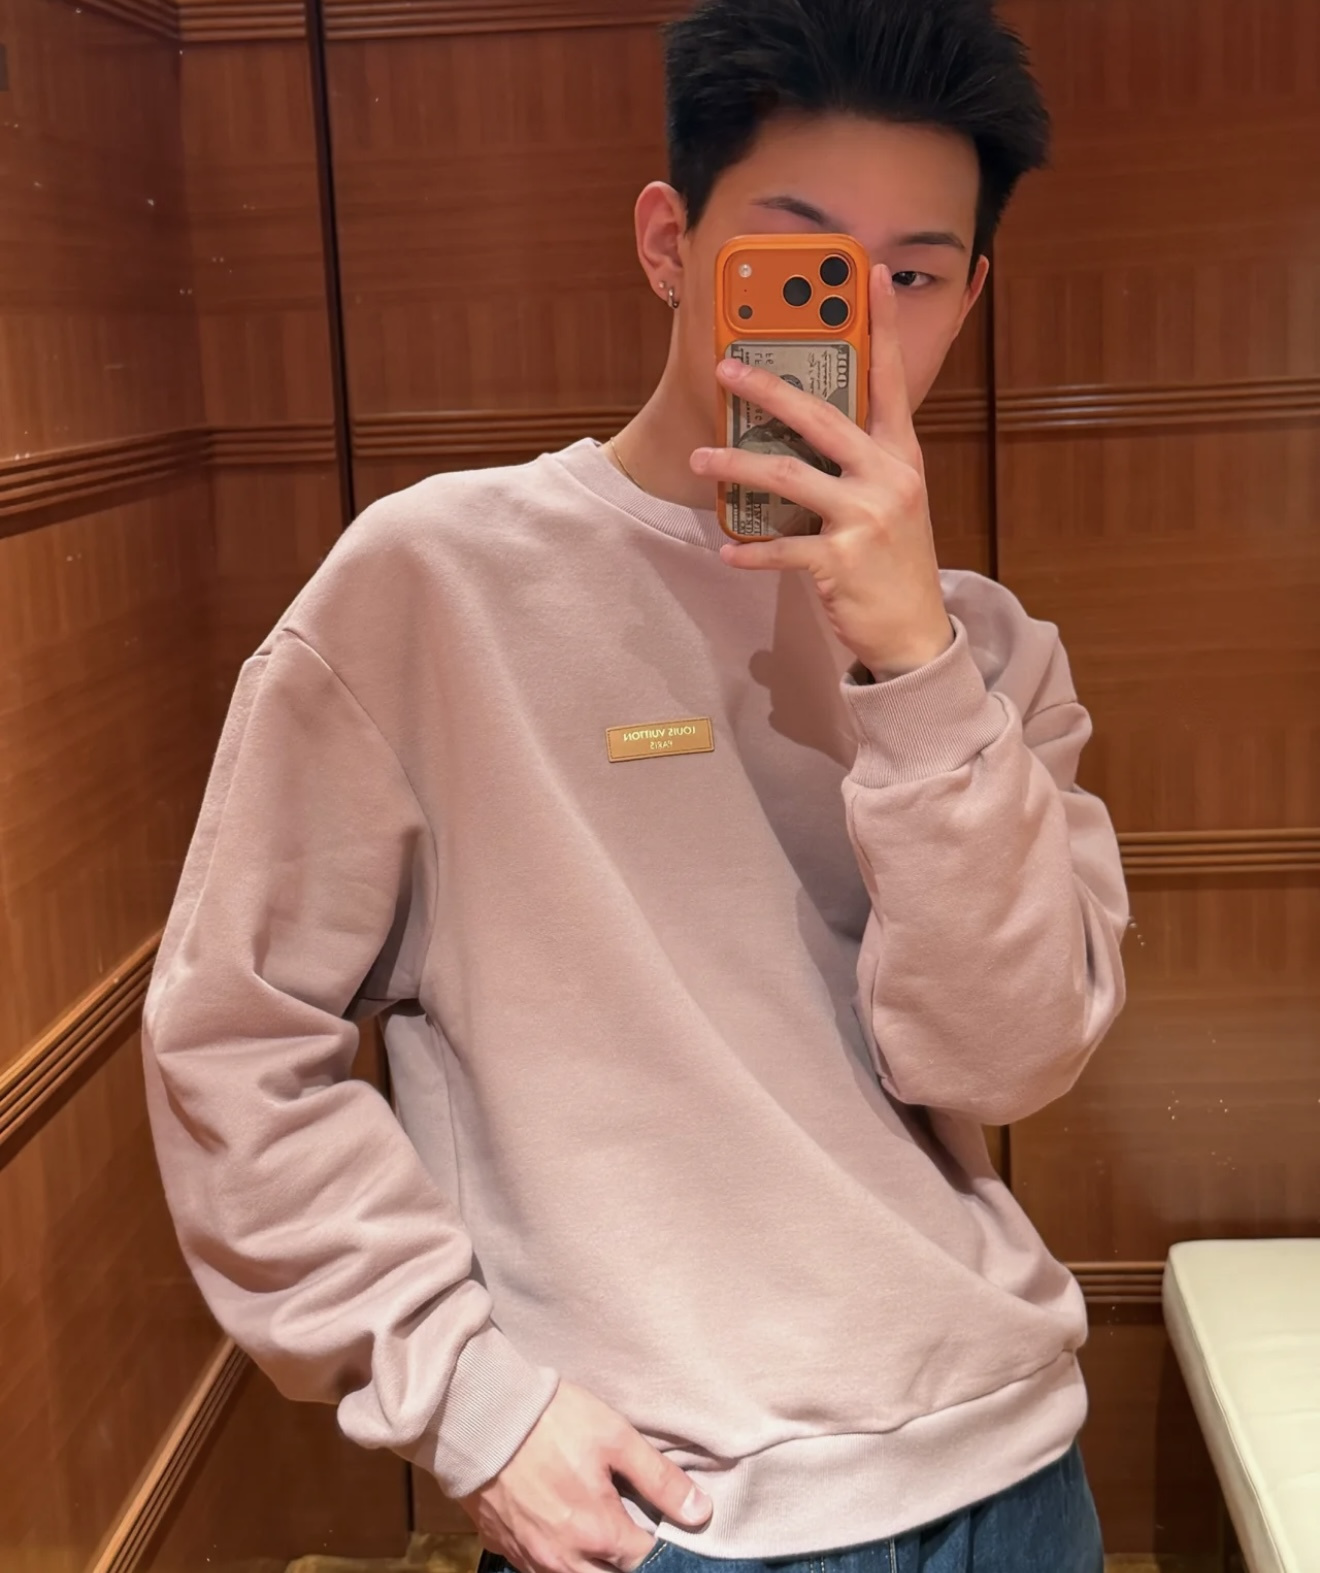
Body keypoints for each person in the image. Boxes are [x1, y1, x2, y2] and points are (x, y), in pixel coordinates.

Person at [142, 1, 1129, 1569]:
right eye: (799, 260)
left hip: (1013, 1478)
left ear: (971, 297)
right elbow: (230, 1037)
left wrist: (910, 664)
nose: (860, 323)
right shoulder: (433, 586)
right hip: (666, 1516)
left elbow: (1001, 1061)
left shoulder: (988, 654)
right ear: (672, 244)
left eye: (915, 275)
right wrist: (474, 1401)